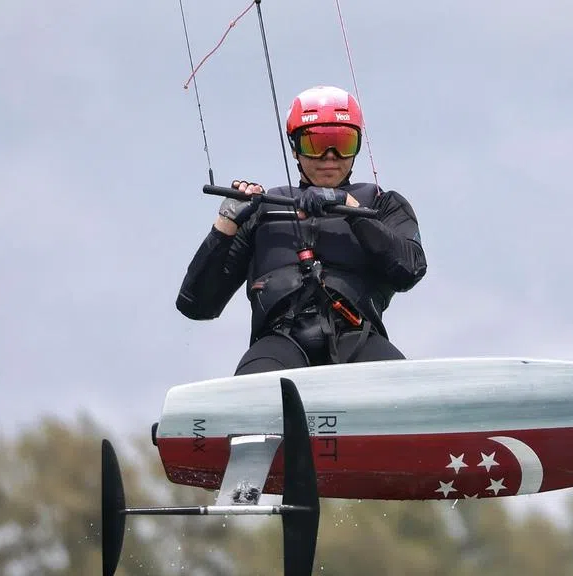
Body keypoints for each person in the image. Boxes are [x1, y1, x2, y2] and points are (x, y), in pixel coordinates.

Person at [176, 85, 427, 375]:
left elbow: (410, 269)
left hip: (358, 337)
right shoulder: (261, 212)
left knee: (403, 381)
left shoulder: (383, 205)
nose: (330, 156)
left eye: (342, 143)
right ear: (295, 148)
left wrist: (352, 211)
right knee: (255, 379)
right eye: (317, 144)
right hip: (280, 340)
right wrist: (226, 224)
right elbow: (196, 305)